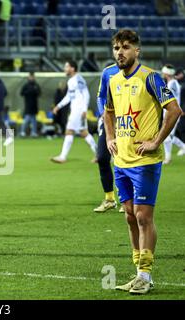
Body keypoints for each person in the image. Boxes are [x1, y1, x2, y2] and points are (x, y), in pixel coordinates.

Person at [104, 29, 182, 295]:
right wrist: (109, 139)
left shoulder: (150, 78)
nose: (120, 52)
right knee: (128, 215)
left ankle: (146, 275)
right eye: (116, 47)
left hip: (145, 160)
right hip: (121, 160)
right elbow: (108, 112)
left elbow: (174, 110)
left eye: (125, 47)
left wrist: (156, 142)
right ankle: (138, 271)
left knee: (143, 216)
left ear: (137, 50)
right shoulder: (112, 80)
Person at [51, 60, 97, 163]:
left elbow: (86, 94)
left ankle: (62, 157)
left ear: (72, 68)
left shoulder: (78, 79)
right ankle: (99, 155)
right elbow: (69, 97)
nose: (65, 69)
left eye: (66, 67)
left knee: (70, 131)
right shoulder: (71, 81)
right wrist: (58, 106)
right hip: (76, 110)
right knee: (83, 132)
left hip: (78, 110)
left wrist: (84, 109)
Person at [93, 63, 122, 213]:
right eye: (117, 48)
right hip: (108, 120)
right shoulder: (108, 72)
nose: (120, 52)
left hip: (126, 122)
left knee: (124, 160)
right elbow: (100, 96)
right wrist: (102, 114)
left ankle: (127, 199)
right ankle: (109, 199)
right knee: (102, 158)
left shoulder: (140, 73)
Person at [161, 64, 185, 163]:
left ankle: (168, 158)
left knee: (167, 137)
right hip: (168, 112)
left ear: (166, 73)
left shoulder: (173, 83)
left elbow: (171, 99)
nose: (162, 74)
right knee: (168, 136)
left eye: (163, 72)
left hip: (172, 113)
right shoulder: (170, 83)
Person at [20, 71, 41, 137]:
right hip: (28, 105)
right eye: (30, 76)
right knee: (27, 119)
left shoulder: (36, 85)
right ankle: (22, 132)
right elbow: (21, 93)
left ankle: (33, 132)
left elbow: (39, 93)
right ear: (29, 77)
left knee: (34, 120)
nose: (32, 78)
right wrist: (30, 91)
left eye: (33, 76)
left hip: (34, 105)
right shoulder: (26, 85)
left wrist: (34, 91)